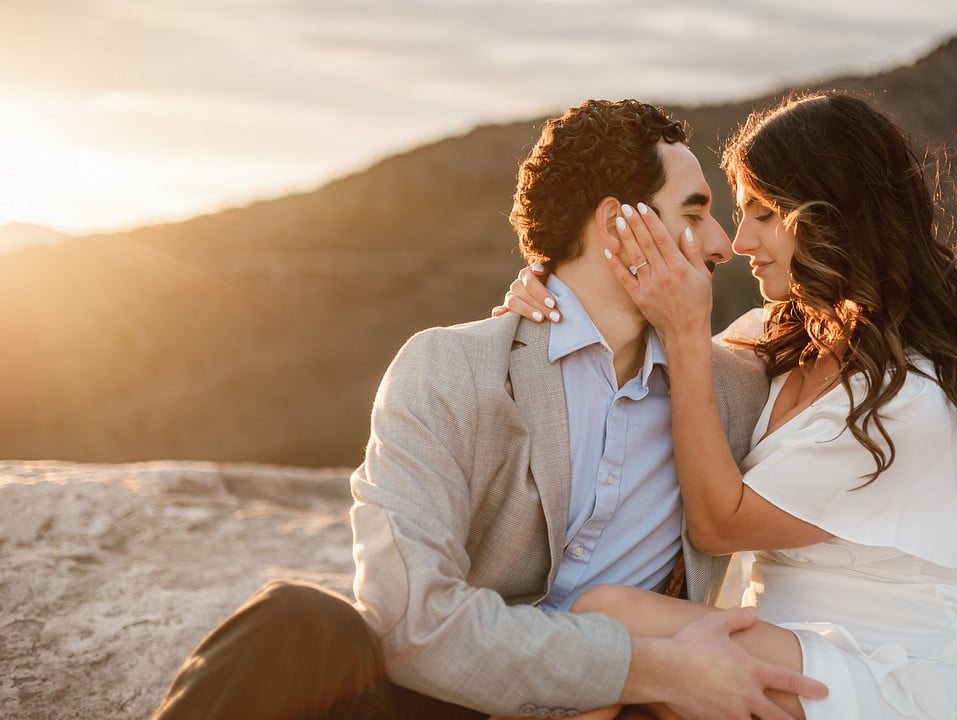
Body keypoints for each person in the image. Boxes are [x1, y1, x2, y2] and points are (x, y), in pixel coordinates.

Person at [151, 98, 827, 720]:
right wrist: (645, 666)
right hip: (453, 702)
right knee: (296, 624)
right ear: (618, 225)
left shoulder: (738, 388)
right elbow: (410, 621)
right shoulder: (450, 369)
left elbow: (869, 325)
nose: (720, 243)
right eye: (692, 213)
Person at [499, 90, 957, 719]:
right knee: (607, 648)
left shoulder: (913, 399)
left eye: (765, 214)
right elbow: (648, 369)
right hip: (785, 640)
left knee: (605, 618)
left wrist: (689, 335)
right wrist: (558, 291)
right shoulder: (777, 336)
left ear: (835, 215)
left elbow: (719, 524)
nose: (740, 240)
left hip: (889, 669)